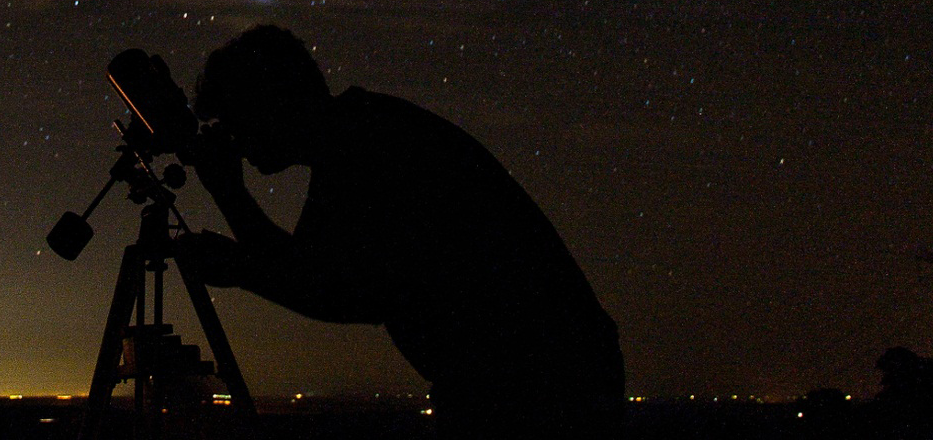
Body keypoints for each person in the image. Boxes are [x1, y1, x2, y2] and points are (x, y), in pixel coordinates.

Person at [177, 25, 623, 439]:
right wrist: (231, 202)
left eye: (236, 120)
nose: (233, 138)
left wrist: (236, 240)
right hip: (538, 374)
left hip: (533, 383)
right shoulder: (362, 130)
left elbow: (335, 290)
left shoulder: (365, 146)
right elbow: (308, 269)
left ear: (270, 102)